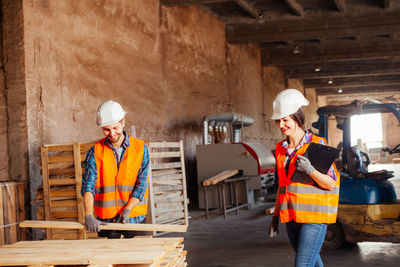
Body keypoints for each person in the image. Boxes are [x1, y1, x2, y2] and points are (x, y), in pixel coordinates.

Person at [268, 89, 340, 267]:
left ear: (297, 117)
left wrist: (311, 170)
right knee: (313, 263)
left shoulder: (317, 145)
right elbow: (282, 187)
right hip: (292, 219)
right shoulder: (280, 149)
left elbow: (330, 183)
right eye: (278, 120)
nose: (281, 125)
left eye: (285, 120)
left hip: (314, 219)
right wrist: (275, 217)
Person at [81, 100, 149, 238]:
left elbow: (141, 186)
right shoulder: (95, 152)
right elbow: (88, 186)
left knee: (139, 258)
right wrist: (88, 215)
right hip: (106, 221)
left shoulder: (141, 149)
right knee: (107, 259)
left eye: (115, 128)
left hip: (134, 218)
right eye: (107, 129)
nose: (112, 133)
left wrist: (128, 209)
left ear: (123, 122)